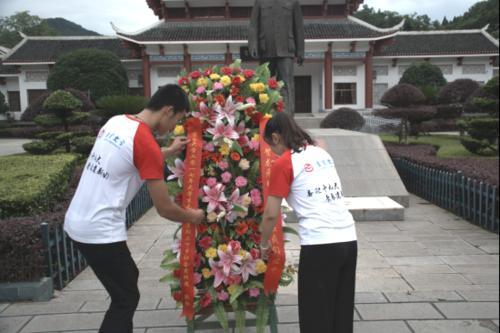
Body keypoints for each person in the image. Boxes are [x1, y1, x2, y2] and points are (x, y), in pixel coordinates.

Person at [64, 84, 204, 333]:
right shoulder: (145, 142)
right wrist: (193, 216)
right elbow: (164, 208)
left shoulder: (117, 122)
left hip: (77, 221)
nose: (174, 128)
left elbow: (130, 155)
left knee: (128, 281)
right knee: (126, 297)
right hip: (100, 230)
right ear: (168, 110)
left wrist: (168, 151)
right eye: (178, 119)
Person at [259, 112, 357, 333]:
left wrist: (264, 244)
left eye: (270, 146)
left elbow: (270, 214)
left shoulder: (284, 163)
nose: (272, 152)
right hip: (349, 239)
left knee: (315, 315)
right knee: (340, 312)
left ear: (276, 137)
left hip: (320, 245)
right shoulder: (321, 153)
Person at [248, 0, 305, 116]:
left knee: (287, 85)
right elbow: (253, 25)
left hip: (286, 50)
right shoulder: (260, 2)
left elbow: (298, 27)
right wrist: (253, 45)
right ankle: (264, 115)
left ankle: (288, 117)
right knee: (263, 84)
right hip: (266, 49)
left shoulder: (293, 2)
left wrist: (300, 50)